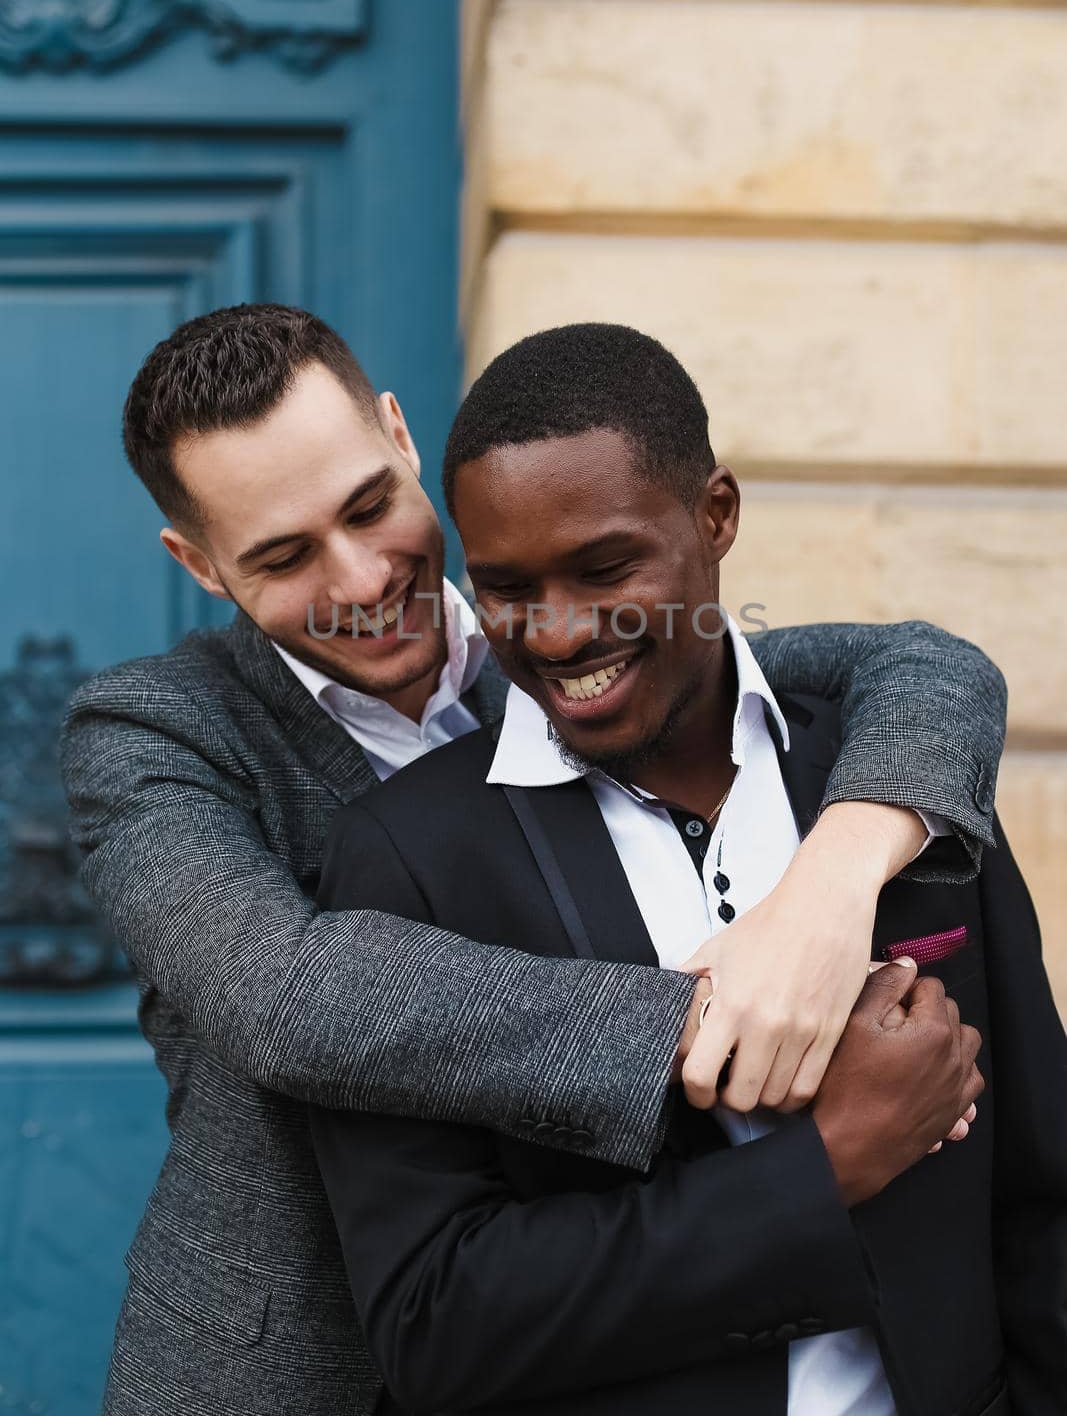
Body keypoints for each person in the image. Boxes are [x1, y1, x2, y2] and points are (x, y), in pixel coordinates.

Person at [61, 306, 1010, 1416]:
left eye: (370, 505)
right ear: (201, 566)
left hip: (572, 1346)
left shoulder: (565, 652)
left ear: (398, 434)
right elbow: (285, 996)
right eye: (282, 555)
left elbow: (922, 667)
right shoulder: (151, 733)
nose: (364, 577)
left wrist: (831, 886)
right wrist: (716, 1016)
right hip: (284, 1374)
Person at [312, 323, 1066, 1416]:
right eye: (507, 586)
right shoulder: (407, 856)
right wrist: (819, 1174)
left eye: (604, 568)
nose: (558, 632)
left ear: (715, 515)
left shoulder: (897, 786)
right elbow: (436, 1321)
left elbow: (1040, 1197)